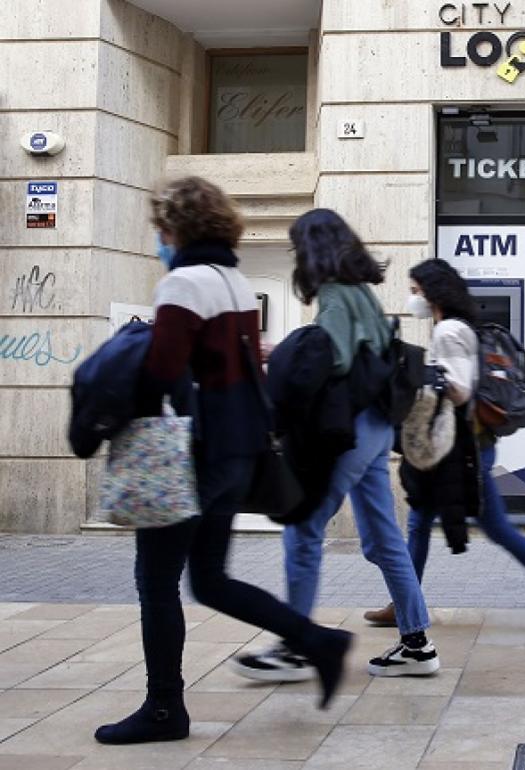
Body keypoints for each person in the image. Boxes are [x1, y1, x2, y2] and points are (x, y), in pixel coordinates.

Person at [95, 178, 352, 746]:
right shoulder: (232, 280)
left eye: (160, 228)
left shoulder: (184, 282)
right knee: (208, 580)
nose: (158, 239)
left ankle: (165, 709)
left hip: (194, 453)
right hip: (237, 448)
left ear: (177, 227)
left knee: (156, 581)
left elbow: (162, 373)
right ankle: (317, 641)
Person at [232, 209, 440, 681]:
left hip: (349, 434)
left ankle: (295, 647)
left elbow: (334, 360)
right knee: (384, 538)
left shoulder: (333, 295)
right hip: (375, 430)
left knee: (303, 529)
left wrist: (280, 356)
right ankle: (417, 642)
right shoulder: (360, 292)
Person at [364, 258, 525, 635]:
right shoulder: (461, 328)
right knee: (425, 521)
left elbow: (461, 390)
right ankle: (404, 601)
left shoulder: (449, 332)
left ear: (434, 293)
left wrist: (419, 377)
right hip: (469, 446)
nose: (411, 298)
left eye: (415, 291)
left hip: (460, 449)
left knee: (483, 526)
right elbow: (487, 385)